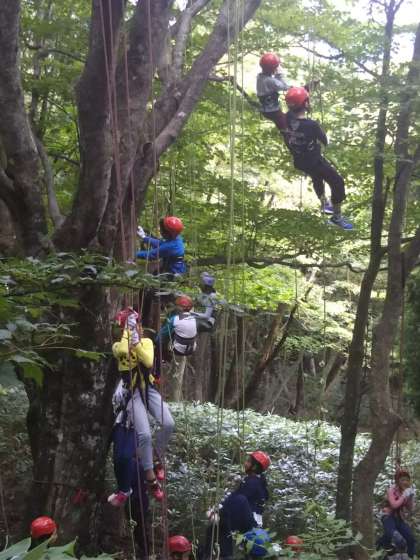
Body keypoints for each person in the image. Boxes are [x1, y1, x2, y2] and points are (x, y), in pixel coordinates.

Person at [108, 307, 174, 504]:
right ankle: (150, 476)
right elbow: (122, 351)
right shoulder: (117, 346)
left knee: (168, 423)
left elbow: (148, 360)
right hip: (132, 393)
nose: (136, 328)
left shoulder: (146, 342)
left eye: (136, 325)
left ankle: (156, 457)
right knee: (144, 435)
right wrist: (127, 334)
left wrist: (136, 340)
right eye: (130, 326)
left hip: (148, 388)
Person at [284, 86, 353, 230]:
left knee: (317, 177)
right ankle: (336, 217)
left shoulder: (286, 118)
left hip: (300, 162)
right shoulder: (312, 125)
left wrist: (310, 86)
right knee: (337, 182)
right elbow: (325, 141)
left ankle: (324, 204)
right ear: (305, 104)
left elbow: (295, 98)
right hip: (315, 162)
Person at [206, 451, 270, 559]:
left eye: (248, 461)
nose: (245, 463)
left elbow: (236, 500)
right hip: (251, 522)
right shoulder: (257, 481)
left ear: (254, 467)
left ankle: (221, 556)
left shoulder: (253, 482)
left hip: (248, 521)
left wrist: (218, 511)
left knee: (221, 527)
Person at [377, 467, 416, 558]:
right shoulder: (391, 490)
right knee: (395, 536)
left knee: (411, 539)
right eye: (402, 480)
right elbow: (394, 505)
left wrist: (410, 497)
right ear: (398, 481)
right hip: (387, 516)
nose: (405, 482)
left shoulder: (406, 491)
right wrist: (404, 496)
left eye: (407, 480)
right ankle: (381, 548)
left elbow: (410, 509)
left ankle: (411, 557)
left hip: (399, 518)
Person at [256, 53, 289, 132]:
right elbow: (285, 87)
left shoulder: (260, 77)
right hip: (274, 111)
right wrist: (279, 74)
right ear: (273, 68)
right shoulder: (270, 81)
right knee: (287, 128)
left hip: (267, 110)